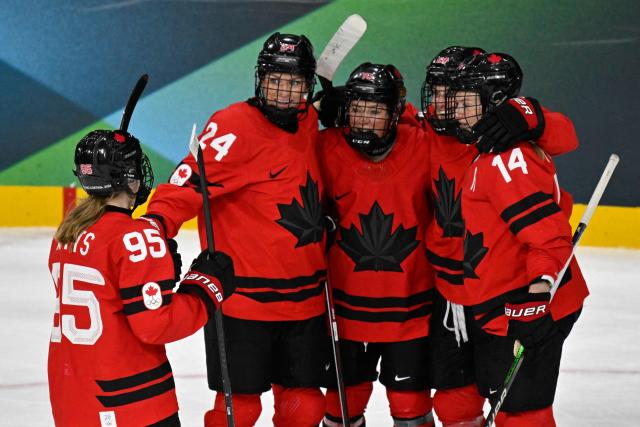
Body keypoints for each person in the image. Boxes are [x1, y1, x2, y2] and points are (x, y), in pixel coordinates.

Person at [145, 33, 328, 427]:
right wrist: (153, 228)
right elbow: (186, 185)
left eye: (294, 82)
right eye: (275, 80)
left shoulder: (311, 121)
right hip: (244, 299)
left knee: (306, 407)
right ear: (260, 80)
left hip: (307, 298)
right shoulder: (234, 127)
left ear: (308, 86)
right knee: (239, 410)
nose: (283, 91)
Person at [403, 46, 583, 427]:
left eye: (450, 95)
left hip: (512, 291)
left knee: (522, 415)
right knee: (453, 404)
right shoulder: (430, 132)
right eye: (434, 93)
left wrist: (531, 116)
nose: (439, 104)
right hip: (456, 292)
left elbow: (565, 137)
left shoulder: (505, 144)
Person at [48, 127, 236, 426]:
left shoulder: (66, 234)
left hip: (73, 397)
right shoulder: (134, 239)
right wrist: (205, 288)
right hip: (130, 401)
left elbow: (110, 289)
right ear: (128, 179)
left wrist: (155, 274)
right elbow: (156, 326)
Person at [317, 63, 436, 427]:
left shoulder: (424, 144)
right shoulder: (325, 145)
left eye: (375, 110)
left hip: (410, 311)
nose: (364, 120)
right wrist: (313, 111)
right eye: (357, 108)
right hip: (345, 311)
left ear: (396, 112)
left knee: (410, 406)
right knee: (342, 405)